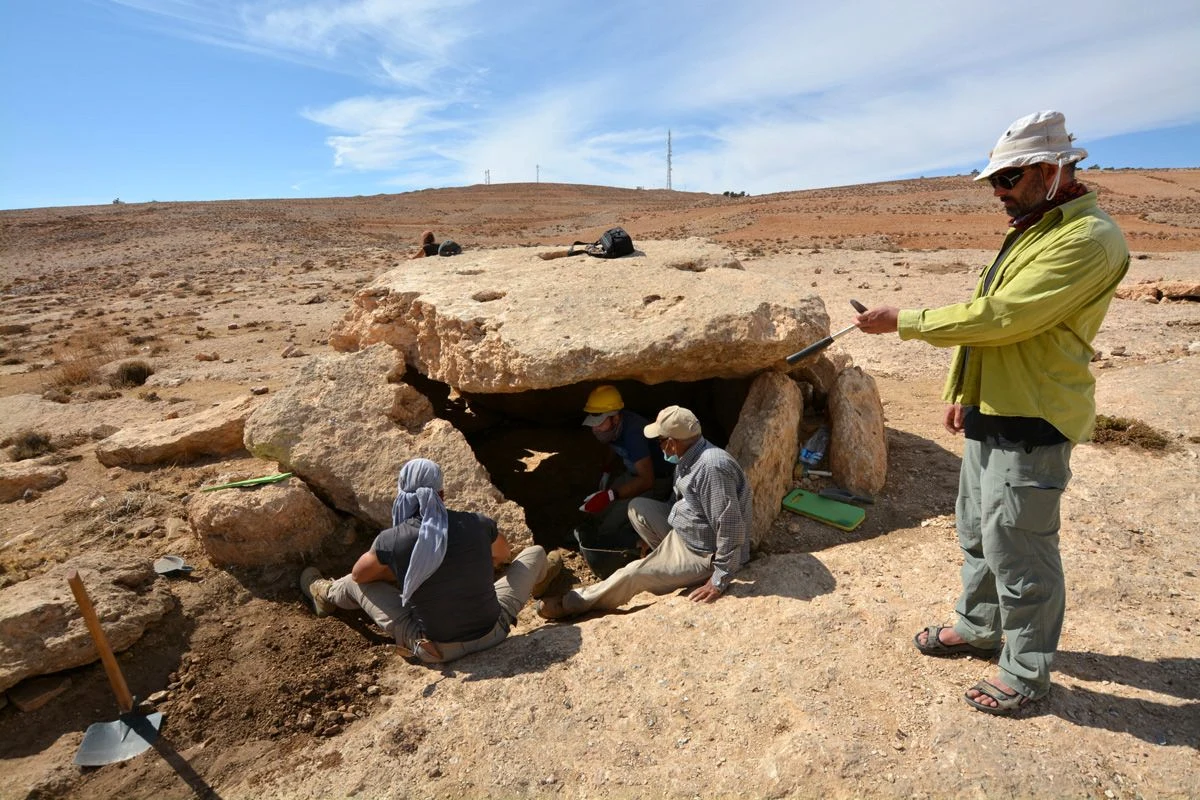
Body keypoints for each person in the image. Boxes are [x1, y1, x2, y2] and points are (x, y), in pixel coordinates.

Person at [854, 110, 1129, 715]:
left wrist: (905, 321)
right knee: (979, 532)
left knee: (1020, 547)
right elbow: (991, 315)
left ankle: (1026, 672)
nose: (998, 192)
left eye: (1008, 179)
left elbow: (1005, 318)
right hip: (994, 407)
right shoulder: (1035, 229)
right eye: (994, 182)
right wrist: (964, 391)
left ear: (1051, 169)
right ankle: (979, 627)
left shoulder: (1088, 238)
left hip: (1034, 415)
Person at [301, 458, 560, 663]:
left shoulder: (392, 540)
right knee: (536, 553)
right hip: (494, 631)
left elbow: (360, 576)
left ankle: (325, 594)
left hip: (437, 649)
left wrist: (405, 572)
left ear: (402, 495)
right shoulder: (478, 523)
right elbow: (503, 555)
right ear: (441, 494)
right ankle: (540, 586)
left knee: (352, 583)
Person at [538, 405, 752, 619]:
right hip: (689, 531)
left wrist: (718, 579)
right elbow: (679, 501)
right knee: (638, 508)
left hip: (703, 552)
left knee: (633, 573)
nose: (658, 445)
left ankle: (572, 603)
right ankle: (663, 562)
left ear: (671, 443)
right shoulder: (689, 455)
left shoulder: (712, 468)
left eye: (659, 440)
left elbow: (730, 527)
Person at [577, 385, 672, 551]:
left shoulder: (633, 433)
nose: (594, 429)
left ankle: (637, 546)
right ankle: (588, 532)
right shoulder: (613, 428)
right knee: (598, 512)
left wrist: (611, 495)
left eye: (599, 424)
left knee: (610, 526)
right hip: (633, 474)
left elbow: (647, 480)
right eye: (593, 423)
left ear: (615, 418)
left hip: (655, 480)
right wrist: (607, 468)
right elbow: (612, 444)